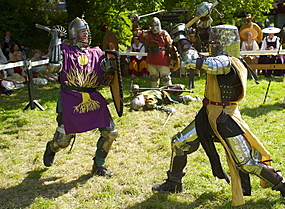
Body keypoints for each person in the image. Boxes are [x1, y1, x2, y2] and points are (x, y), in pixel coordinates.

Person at [151, 6, 285, 209]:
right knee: (179, 143)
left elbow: (189, 59)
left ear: (223, 43)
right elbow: (204, 38)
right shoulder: (221, 57)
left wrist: (179, 35)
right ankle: (174, 183)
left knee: (247, 163)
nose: (210, 44)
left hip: (225, 118)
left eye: (214, 42)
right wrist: (205, 18)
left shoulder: (225, 62)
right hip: (208, 113)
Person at [42, 17, 119, 177]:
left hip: (93, 97)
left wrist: (109, 71)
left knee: (111, 133)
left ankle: (99, 165)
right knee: (63, 140)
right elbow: (53, 67)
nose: (86, 35)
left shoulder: (96, 53)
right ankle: (52, 147)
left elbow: (104, 83)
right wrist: (56, 39)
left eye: (87, 32)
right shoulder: (64, 50)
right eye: (83, 32)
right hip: (70, 97)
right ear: (74, 34)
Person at [131, 16, 174, 88]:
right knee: (153, 77)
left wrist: (172, 58)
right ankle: (155, 94)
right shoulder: (148, 33)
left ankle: (170, 93)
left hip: (163, 59)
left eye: (156, 25)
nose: (154, 28)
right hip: (152, 59)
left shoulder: (164, 33)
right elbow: (136, 33)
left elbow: (170, 46)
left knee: (166, 78)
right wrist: (135, 23)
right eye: (152, 26)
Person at [129, 84, 199, 111]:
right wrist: (167, 109)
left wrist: (134, 88)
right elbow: (157, 107)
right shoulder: (149, 102)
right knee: (186, 98)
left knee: (181, 87)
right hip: (167, 97)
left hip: (163, 89)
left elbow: (134, 93)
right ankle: (195, 99)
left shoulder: (140, 95)